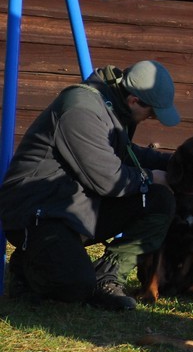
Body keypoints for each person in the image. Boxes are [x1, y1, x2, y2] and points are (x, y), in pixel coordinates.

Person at [0, 60, 181, 311]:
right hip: (38, 211)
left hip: (76, 207)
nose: (151, 119)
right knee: (74, 287)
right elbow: (108, 179)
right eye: (151, 113)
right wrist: (150, 176)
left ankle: (107, 278)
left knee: (159, 201)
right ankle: (27, 268)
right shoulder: (81, 109)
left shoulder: (114, 108)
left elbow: (125, 154)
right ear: (134, 101)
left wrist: (175, 164)